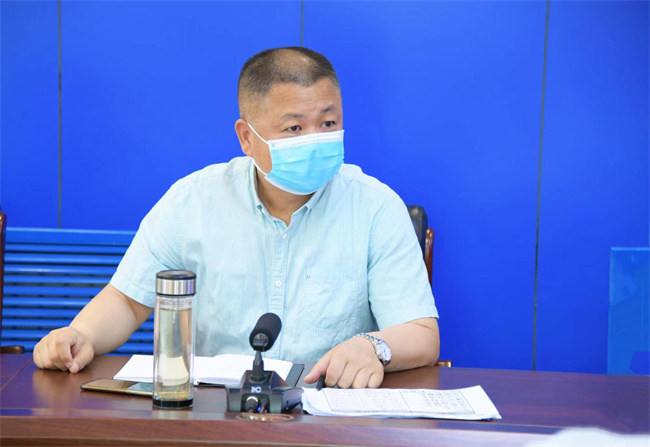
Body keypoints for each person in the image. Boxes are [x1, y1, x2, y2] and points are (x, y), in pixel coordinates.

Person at [33, 47, 440, 389]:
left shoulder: (375, 207)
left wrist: (373, 346)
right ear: (247, 137)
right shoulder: (193, 201)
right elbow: (126, 300)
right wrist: (79, 336)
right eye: (294, 128)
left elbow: (422, 335)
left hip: (328, 416)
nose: (315, 139)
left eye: (328, 123)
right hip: (214, 416)